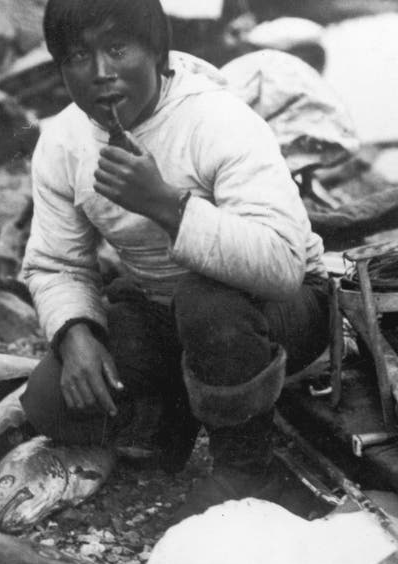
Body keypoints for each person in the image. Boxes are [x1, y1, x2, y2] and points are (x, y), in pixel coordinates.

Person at [19, 0, 331, 522]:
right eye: (78, 56)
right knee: (50, 401)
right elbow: (57, 262)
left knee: (207, 301)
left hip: (281, 310)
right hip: (168, 312)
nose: (101, 73)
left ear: (157, 51)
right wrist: (75, 334)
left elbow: (282, 264)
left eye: (118, 49)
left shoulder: (219, 119)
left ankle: (249, 467)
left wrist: (166, 205)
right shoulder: (63, 141)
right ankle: (178, 419)